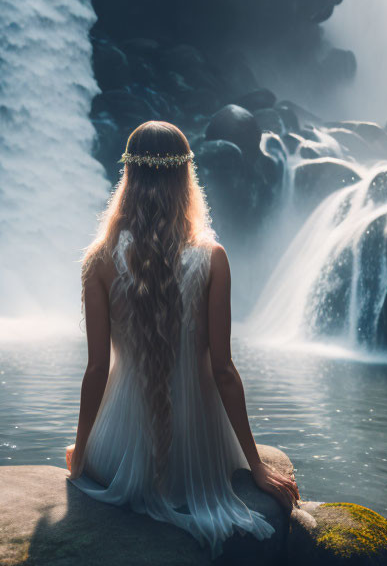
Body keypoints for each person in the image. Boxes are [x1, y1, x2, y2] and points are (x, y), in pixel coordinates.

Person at [65, 120, 299, 557]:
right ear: (185, 178)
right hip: (198, 454)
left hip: (117, 452)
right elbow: (223, 370)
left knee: (83, 450)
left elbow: (96, 370)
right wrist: (256, 467)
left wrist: (81, 452)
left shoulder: (97, 260)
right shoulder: (213, 258)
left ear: (128, 177)